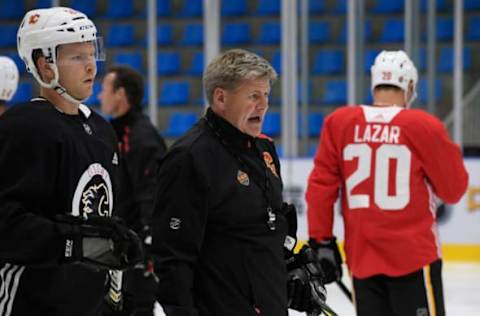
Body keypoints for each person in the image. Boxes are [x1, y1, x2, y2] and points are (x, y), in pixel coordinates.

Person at [151, 49, 329, 316]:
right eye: (253, 96)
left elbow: (267, 224)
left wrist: (291, 263)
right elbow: (173, 256)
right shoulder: (190, 158)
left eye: (266, 95)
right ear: (221, 98)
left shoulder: (265, 150)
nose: (264, 104)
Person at [0, 7, 142, 316]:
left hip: (87, 304)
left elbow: (107, 215)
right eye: (76, 56)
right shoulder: (25, 127)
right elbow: (7, 224)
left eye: (92, 53)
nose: (91, 65)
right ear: (45, 65)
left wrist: (117, 282)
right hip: (32, 303)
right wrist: (74, 242)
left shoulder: (102, 131)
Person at [306, 50, 469, 316]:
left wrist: (321, 241)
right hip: (414, 259)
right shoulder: (423, 125)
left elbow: (320, 188)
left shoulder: (339, 123)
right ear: (410, 86)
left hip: (361, 259)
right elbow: (453, 190)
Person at [99, 65, 167, 316]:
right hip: (118, 246)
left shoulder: (141, 138)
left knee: (136, 307)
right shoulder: (114, 131)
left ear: (120, 94)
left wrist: (148, 247)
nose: (100, 96)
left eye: (105, 89)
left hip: (136, 250)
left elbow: (152, 196)